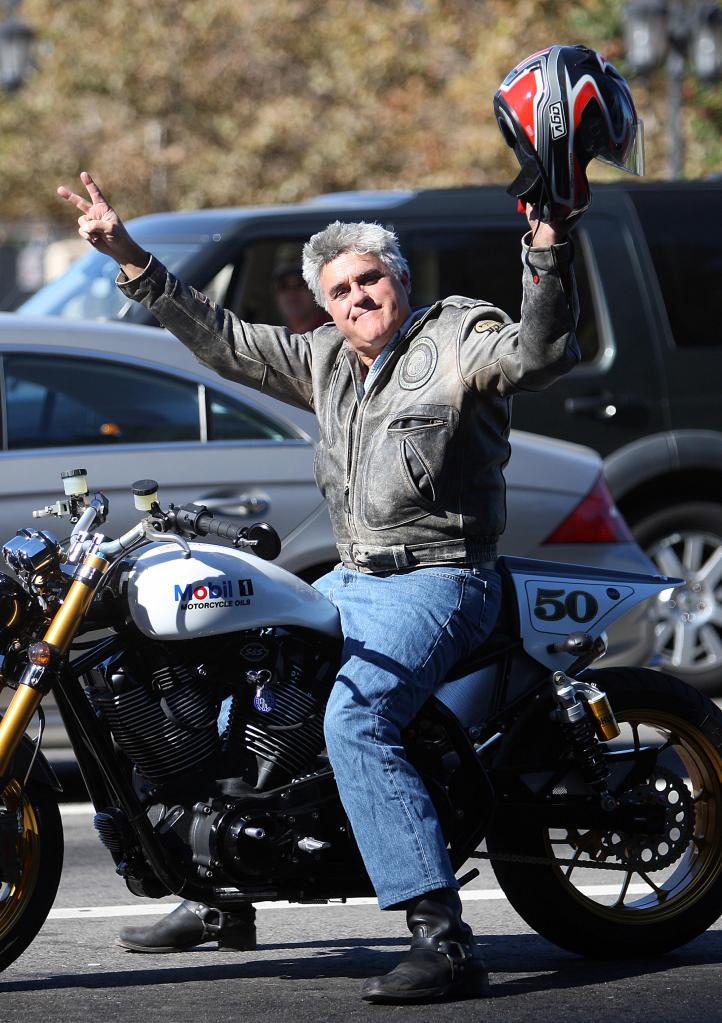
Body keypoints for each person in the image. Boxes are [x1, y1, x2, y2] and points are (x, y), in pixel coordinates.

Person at [57, 170, 579, 1003]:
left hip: (440, 577)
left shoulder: (456, 338)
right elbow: (221, 337)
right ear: (325, 305)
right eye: (340, 289)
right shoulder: (325, 359)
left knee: (355, 716)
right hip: (350, 576)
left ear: (399, 280)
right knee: (235, 685)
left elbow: (541, 353)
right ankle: (221, 893)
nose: (357, 297)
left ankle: (443, 939)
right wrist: (128, 256)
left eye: (370, 278)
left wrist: (546, 247)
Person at [272, 259, 329, 332]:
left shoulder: (336, 332)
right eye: (283, 286)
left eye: (301, 284)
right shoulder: (275, 337)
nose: (292, 293)